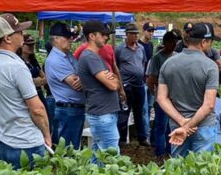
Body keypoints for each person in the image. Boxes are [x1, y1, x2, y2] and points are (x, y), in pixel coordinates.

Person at [0, 14, 52, 168]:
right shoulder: (16, 66)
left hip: (3, 138)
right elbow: (37, 109)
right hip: (26, 142)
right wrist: (47, 135)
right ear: (7, 38)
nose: (22, 35)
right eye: (18, 31)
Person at [158, 22, 220, 157]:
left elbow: (161, 98)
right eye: (210, 42)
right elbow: (209, 105)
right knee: (202, 171)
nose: (211, 46)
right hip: (204, 126)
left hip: (177, 126)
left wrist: (182, 122)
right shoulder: (210, 66)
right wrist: (187, 127)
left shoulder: (168, 63)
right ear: (204, 42)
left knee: (178, 170)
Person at [77, 20, 122, 161]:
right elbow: (113, 85)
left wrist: (113, 78)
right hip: (102, 114)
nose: (106, 37)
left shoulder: (93, 57)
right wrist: (114, 79)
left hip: (101, 113)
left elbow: (114, 81)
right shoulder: (90, 57)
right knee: (111, 158)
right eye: (102, 35)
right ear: (91, 36)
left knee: (97, 157)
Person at [45, 22, 85, 149]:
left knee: (73, 147)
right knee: (68, 151)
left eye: (71, 37)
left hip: (74, 108)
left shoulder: (68, 56)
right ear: (56, 39)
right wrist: (85, 78)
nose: (70, 40)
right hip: (67, 109)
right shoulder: (55, 60)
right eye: (67, 37)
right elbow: (76, 84)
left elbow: (82, 76)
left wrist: (83, 77)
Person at [146, 29, 180, 163]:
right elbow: (151, 78)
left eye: (175, 42)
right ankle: (160, 152)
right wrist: (155, 94)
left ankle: (170, 151)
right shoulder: (158, 58)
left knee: (172, 125)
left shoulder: (178, 56)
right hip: (162, 97)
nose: (173, 45)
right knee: (161, 125)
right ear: (165, 42)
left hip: (176, 97)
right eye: (171, 42)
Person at [115, 22, 149, 146]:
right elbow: (116, 66)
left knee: (139, 112)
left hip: (139, 85)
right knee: (124, 113)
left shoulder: (141, 48)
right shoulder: (119, 49)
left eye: (136, 34)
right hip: (126, 85)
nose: (135, 36)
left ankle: (142, 137)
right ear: (127, 35)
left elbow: (143, 63)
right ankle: (122, 139)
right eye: (133, 34)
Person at [18, 34, 48, 102]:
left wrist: (40, 81)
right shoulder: (18, 62)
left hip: (38, 94)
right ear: (21, 46)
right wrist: (33, 81)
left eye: (33, 45)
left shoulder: (33, 61)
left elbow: (45, 77)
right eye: (29, 45)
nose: (31, 47)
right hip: (27, 96)